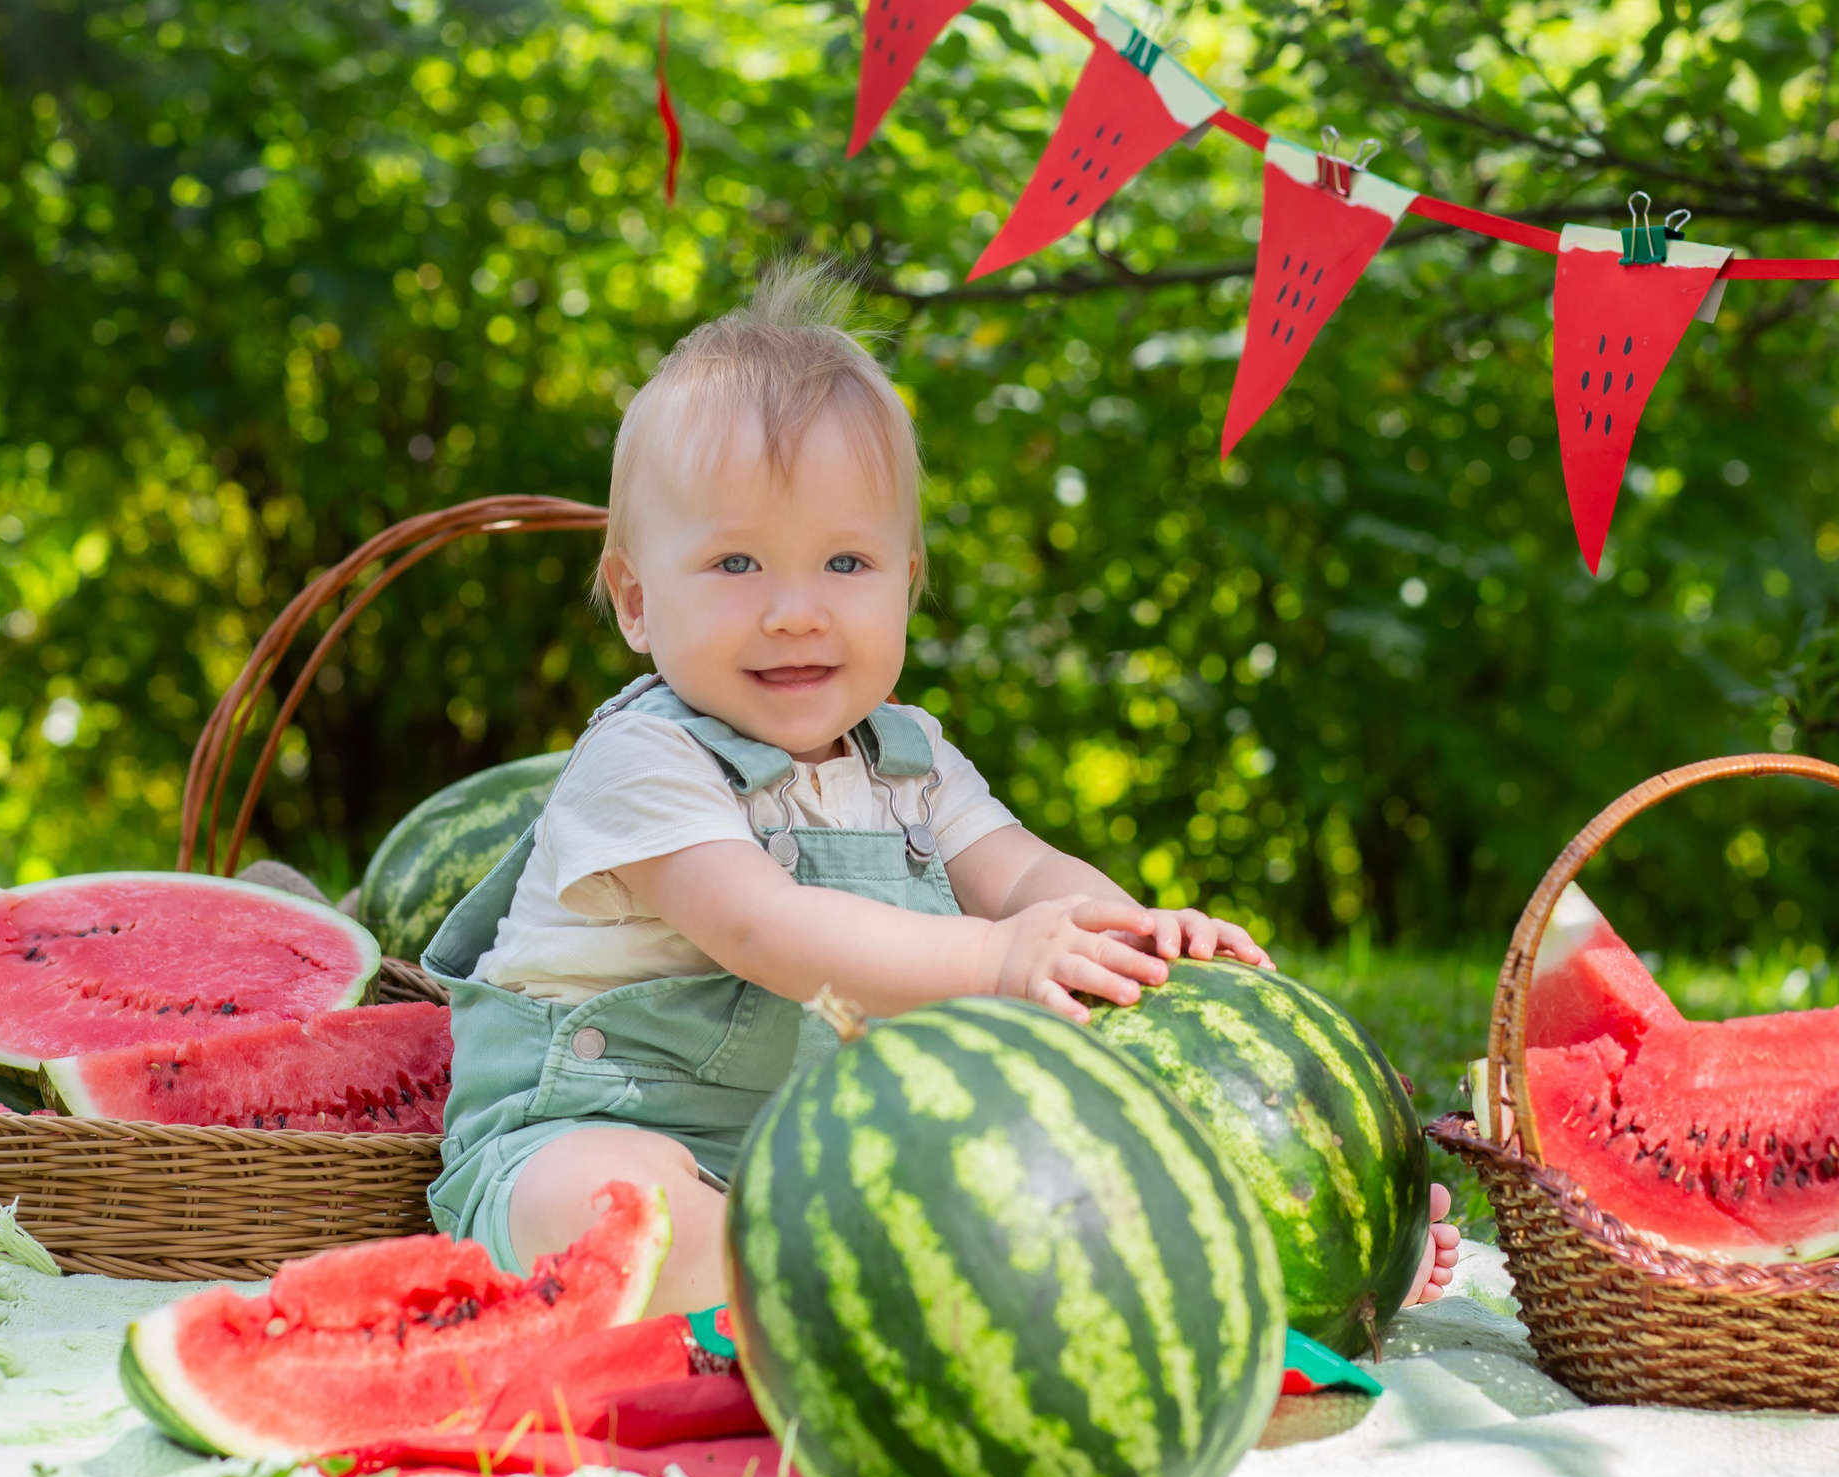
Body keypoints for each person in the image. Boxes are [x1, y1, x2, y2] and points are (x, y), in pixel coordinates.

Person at [423, 260, 1459, 1318]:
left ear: (909, 577)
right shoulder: (642, 762)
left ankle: (1283, 1257)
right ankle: (837, 1291)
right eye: (736, 564)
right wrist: (996, 958)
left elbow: (1020, 874)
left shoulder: (908, 752)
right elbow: (763, 927)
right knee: (598, 1201)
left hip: (843, 1163)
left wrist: (1123, 936)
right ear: (637, 602)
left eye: (845, 564)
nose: (794, 610)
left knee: (1051, 1154)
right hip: (606, 1123)